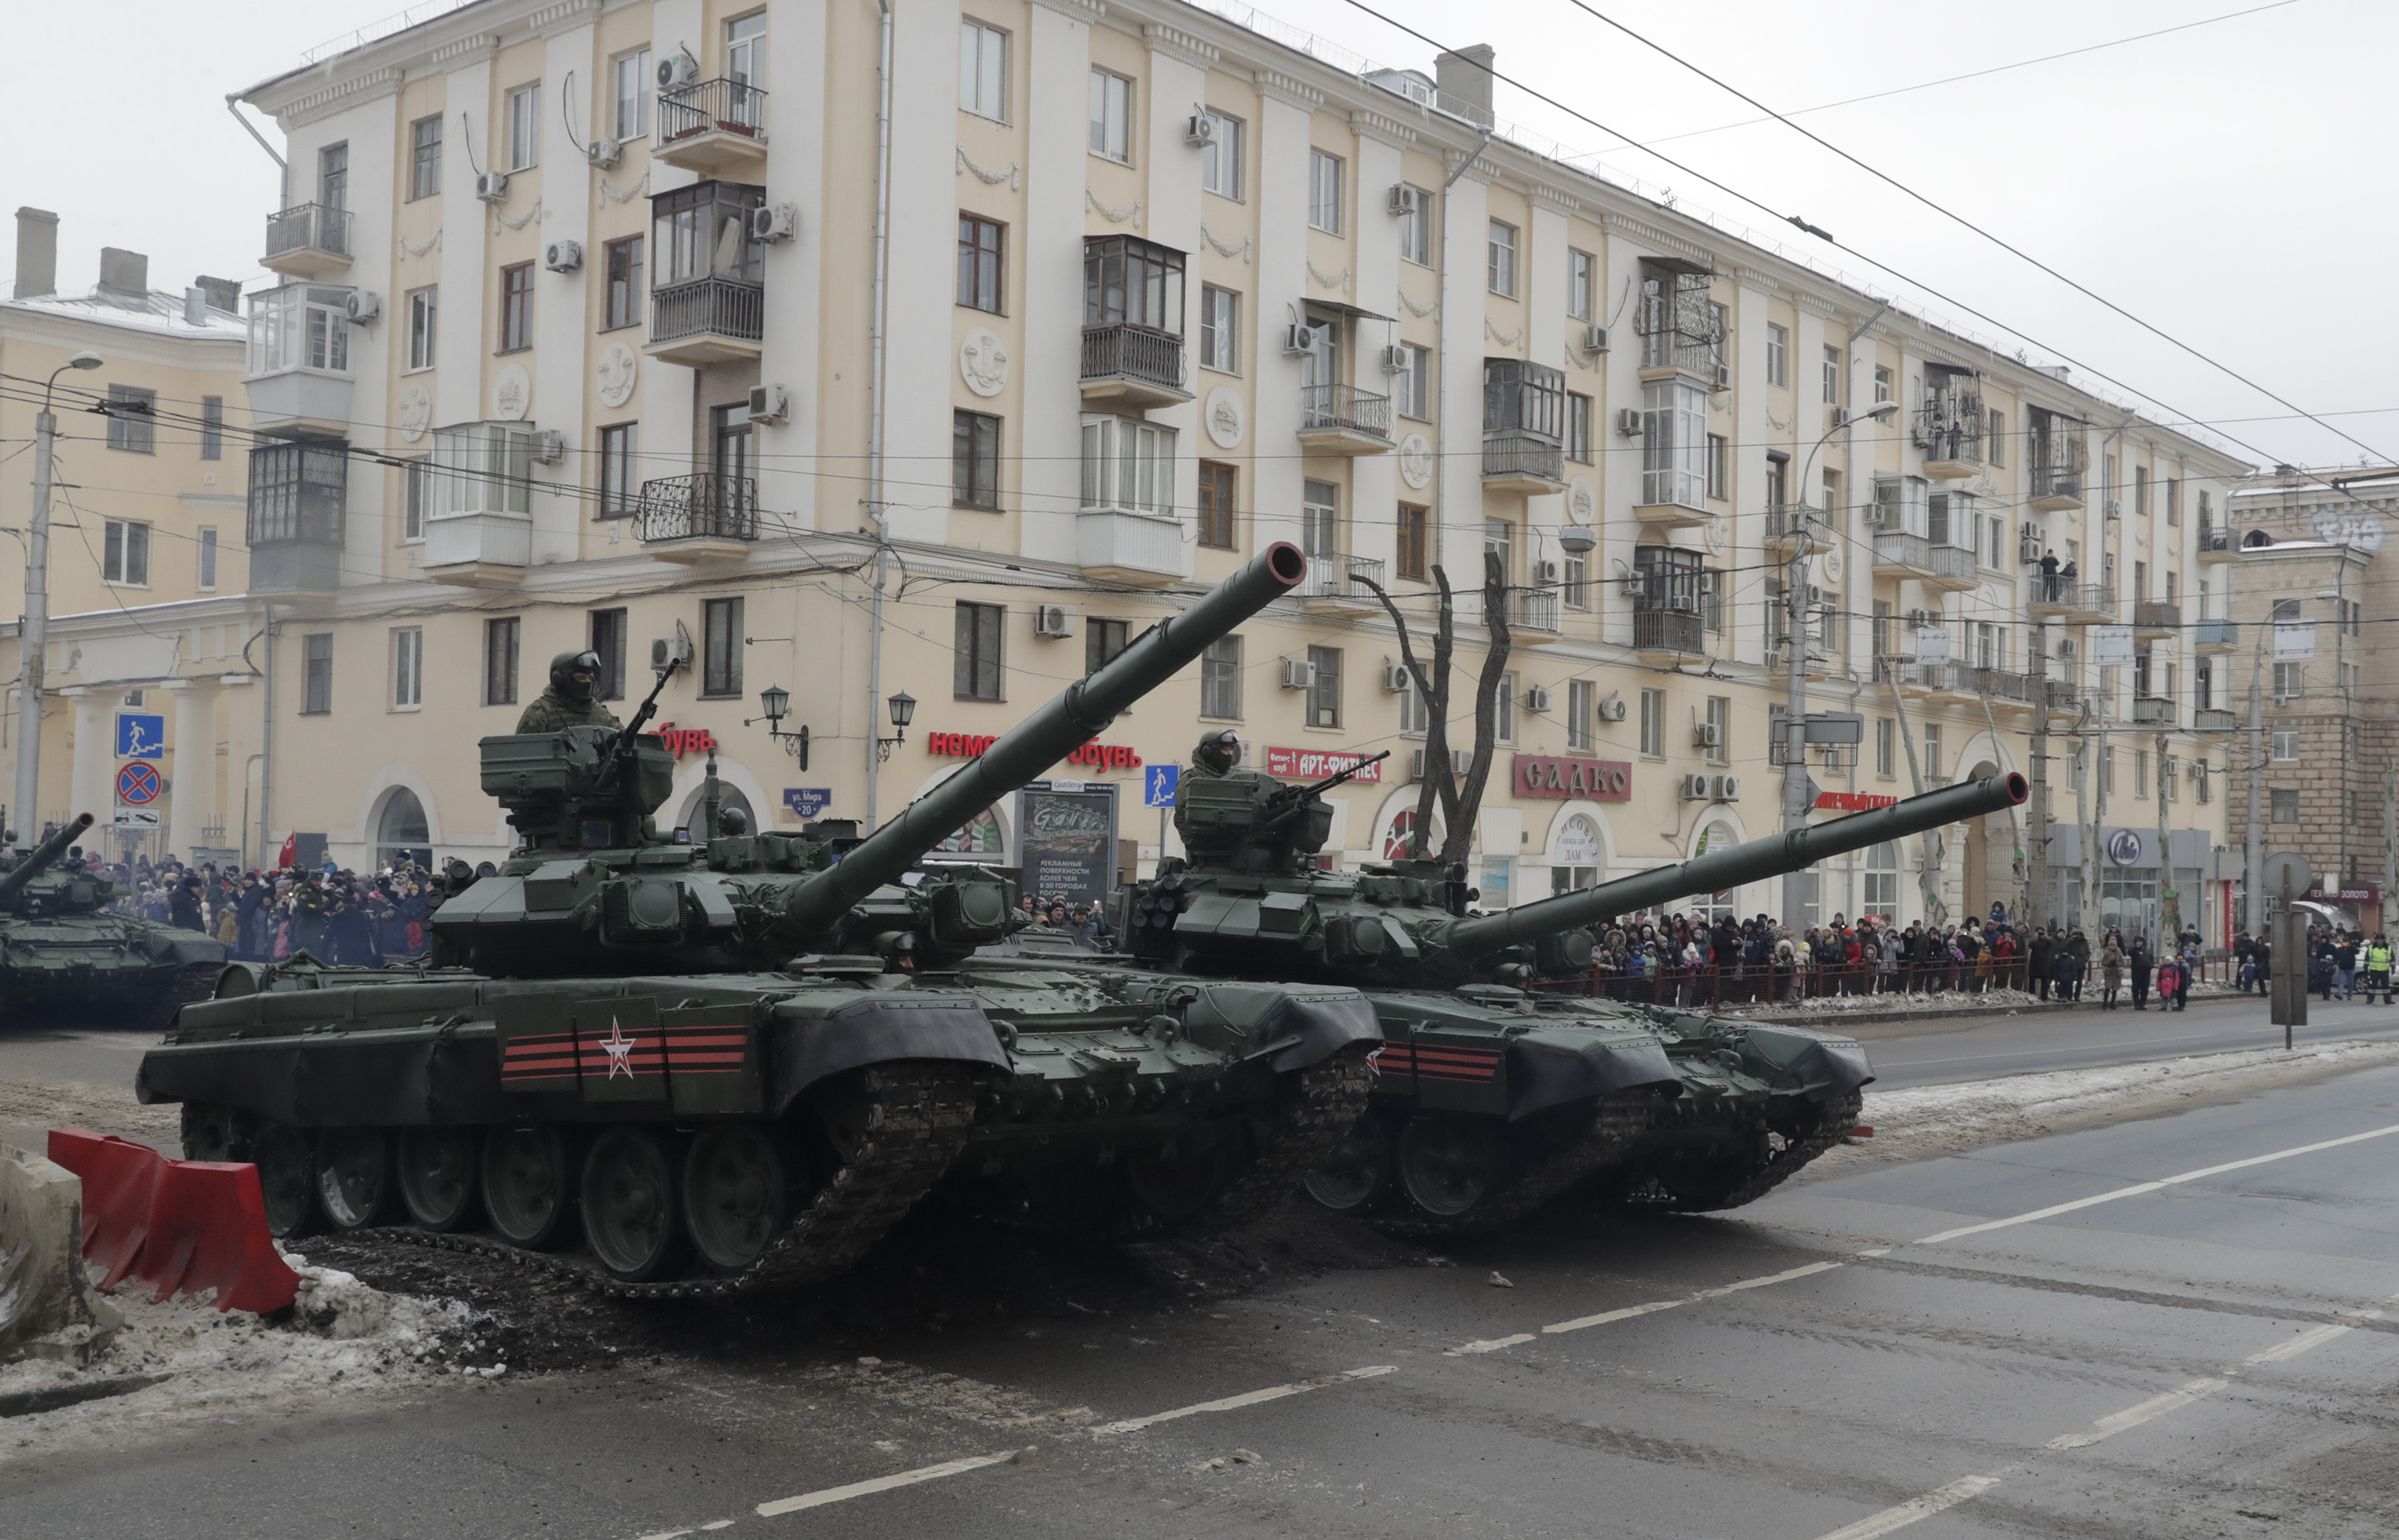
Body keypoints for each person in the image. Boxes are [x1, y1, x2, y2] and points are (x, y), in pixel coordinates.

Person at [516, 651, 621, 734]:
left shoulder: (602, 715)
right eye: (581, 678)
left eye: (590, 678)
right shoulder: (540, 713)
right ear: (559, 680)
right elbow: (523, 753)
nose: (587, 682)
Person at [2099, 934, 2125, 1009]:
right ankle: (2105, 1003)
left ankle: (2112, 1003)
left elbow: (2122, 963)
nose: (2112, 947)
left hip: (2116, 972)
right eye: (2110, 946)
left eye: (2113, 946)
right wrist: (2109, 961)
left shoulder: (2119, 953)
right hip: (2109, 972)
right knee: (2108, 987)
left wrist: (2116, 962)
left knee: (2115, 988)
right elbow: (2103, 963)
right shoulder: (2106, 953)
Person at [2128, 934, 2152, 1010]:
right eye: (2138, 941)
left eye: (2141, 942)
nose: (2139, 943)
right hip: (2136, 972)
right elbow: (2130, 953)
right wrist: (2136, 947)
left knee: (2145, 989)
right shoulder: (2133, 950)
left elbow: (2151, 958)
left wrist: (2151, 965)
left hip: (2146, 972)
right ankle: (2137, 1003)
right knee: (2136, 988)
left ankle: (2143, 1003)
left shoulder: (2147, 950)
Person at [2370, 935, 2395, 1005]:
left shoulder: (2388, 948)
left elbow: (2392, 959)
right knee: (2372, 986)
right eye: (2378, 939)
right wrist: (2366, 967)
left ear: (2384, 940)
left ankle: (2388, 1000)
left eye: (2381, 939)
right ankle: (2370, 999)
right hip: (2374, 970)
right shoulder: (2372, 948)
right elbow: (2367, 958)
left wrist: (2393, 968)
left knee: (2386, 986)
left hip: (2384, 970)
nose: (2380, 941)